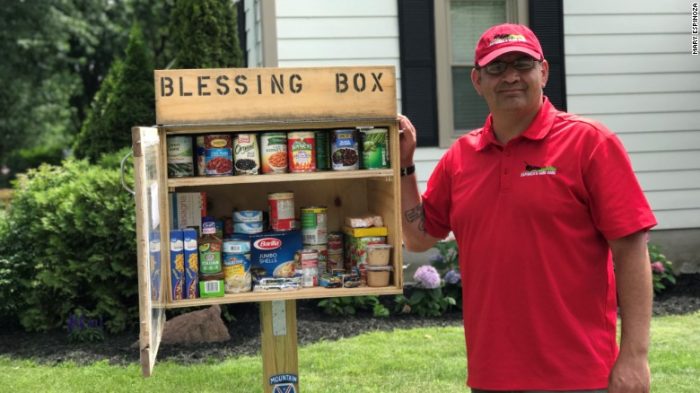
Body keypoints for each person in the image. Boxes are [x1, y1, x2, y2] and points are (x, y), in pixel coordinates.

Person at [398, 23, 656, 393]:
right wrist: (405, 166)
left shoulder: (590, 143)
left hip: (581, 377)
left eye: (522, 64)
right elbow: (419, 237)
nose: (511, 77)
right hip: (491, 378)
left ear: (544, 72)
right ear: (477, 80)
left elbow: (631, 251)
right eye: (497, 68)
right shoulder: (460, 158)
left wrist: (635, 355)